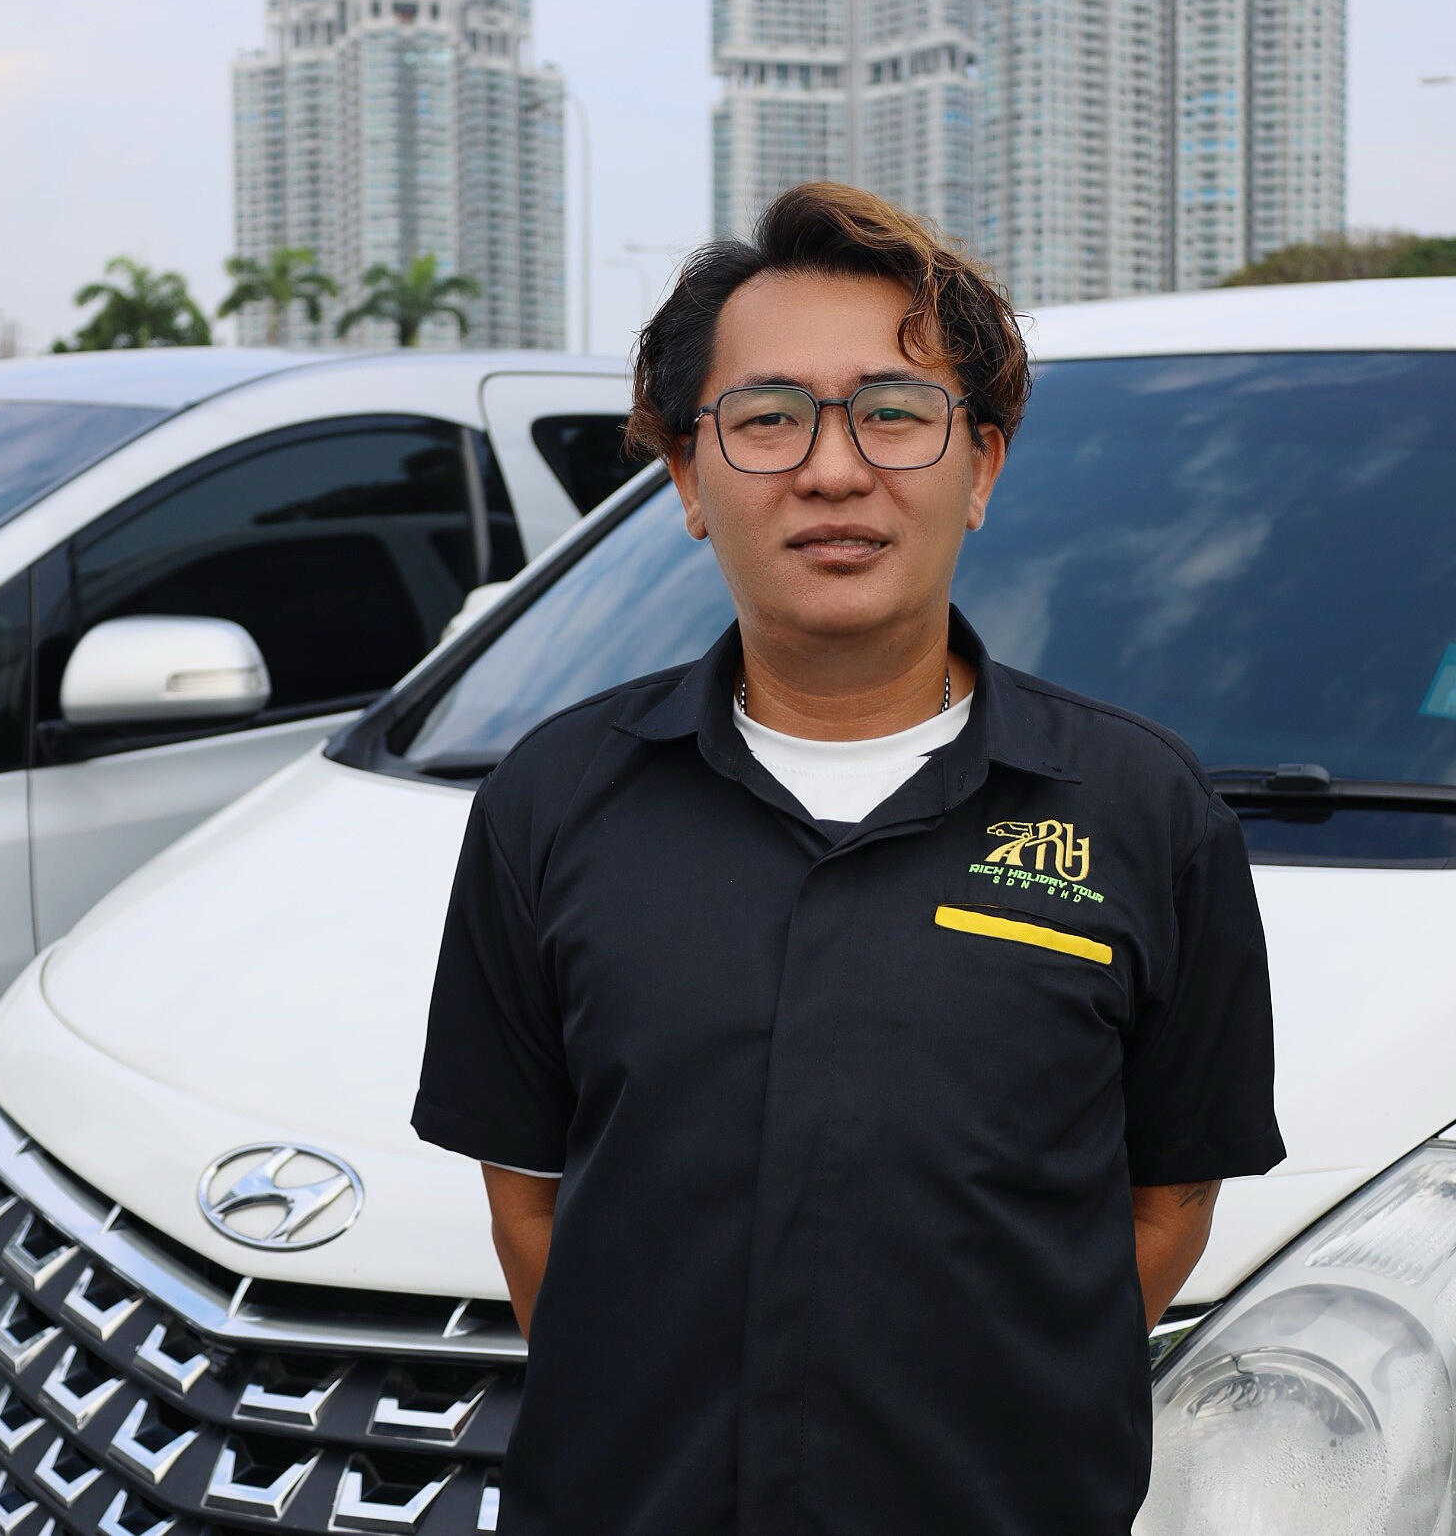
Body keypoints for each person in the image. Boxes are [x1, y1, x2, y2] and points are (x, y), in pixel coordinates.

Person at [412, 182, 1283, 1535]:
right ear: (688, 479)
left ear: (981, 467)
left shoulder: (1142, 813)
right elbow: (529, 1202)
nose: (832, 471)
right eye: (767, 418)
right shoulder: (555, 799)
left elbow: (1168, 1202)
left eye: (895, 411)